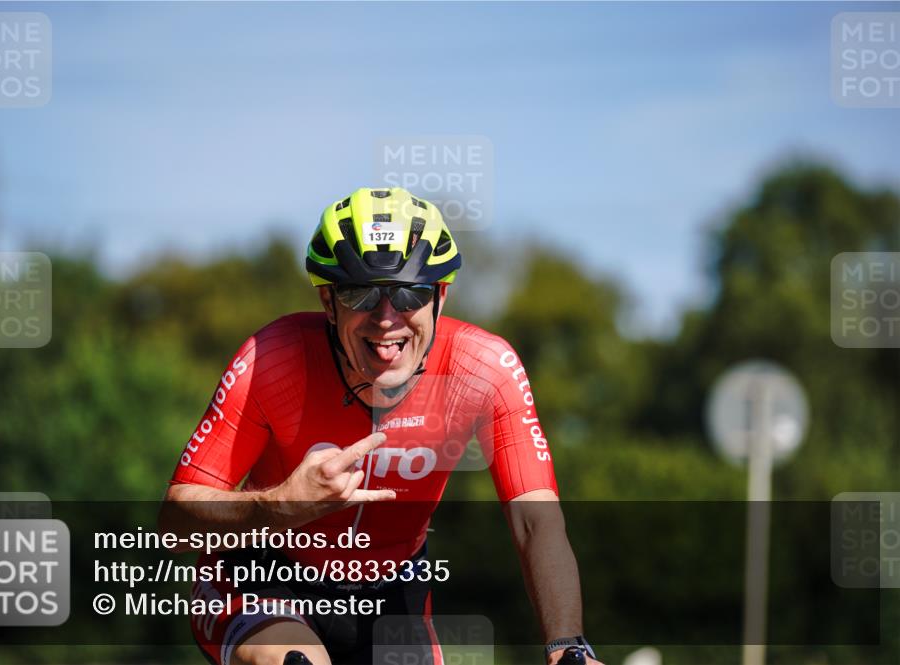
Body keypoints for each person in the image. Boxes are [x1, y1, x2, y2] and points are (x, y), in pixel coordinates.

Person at [159, 187, 601, 665]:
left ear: (440, 296)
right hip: (265, 577)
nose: (387, 319)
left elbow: (536, 521)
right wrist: (279, 505)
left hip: (394, 595)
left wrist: (567, 646)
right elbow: (174, 524)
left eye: (409, 292)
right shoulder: (272, 361)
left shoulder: (484, 369)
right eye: (361, 293)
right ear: (329, 302)